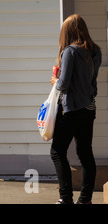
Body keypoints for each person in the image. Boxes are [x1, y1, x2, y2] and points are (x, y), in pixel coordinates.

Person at [50, 14, 102, 204]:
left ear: (68, 32)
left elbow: (63, 85)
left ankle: (65, 199)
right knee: (85, 153)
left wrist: (55, 80)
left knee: (57, 152)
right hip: (88, 109)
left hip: (70, 110)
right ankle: (85, 200)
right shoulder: (96, 51)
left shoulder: (70, 52)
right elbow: (92, 85)